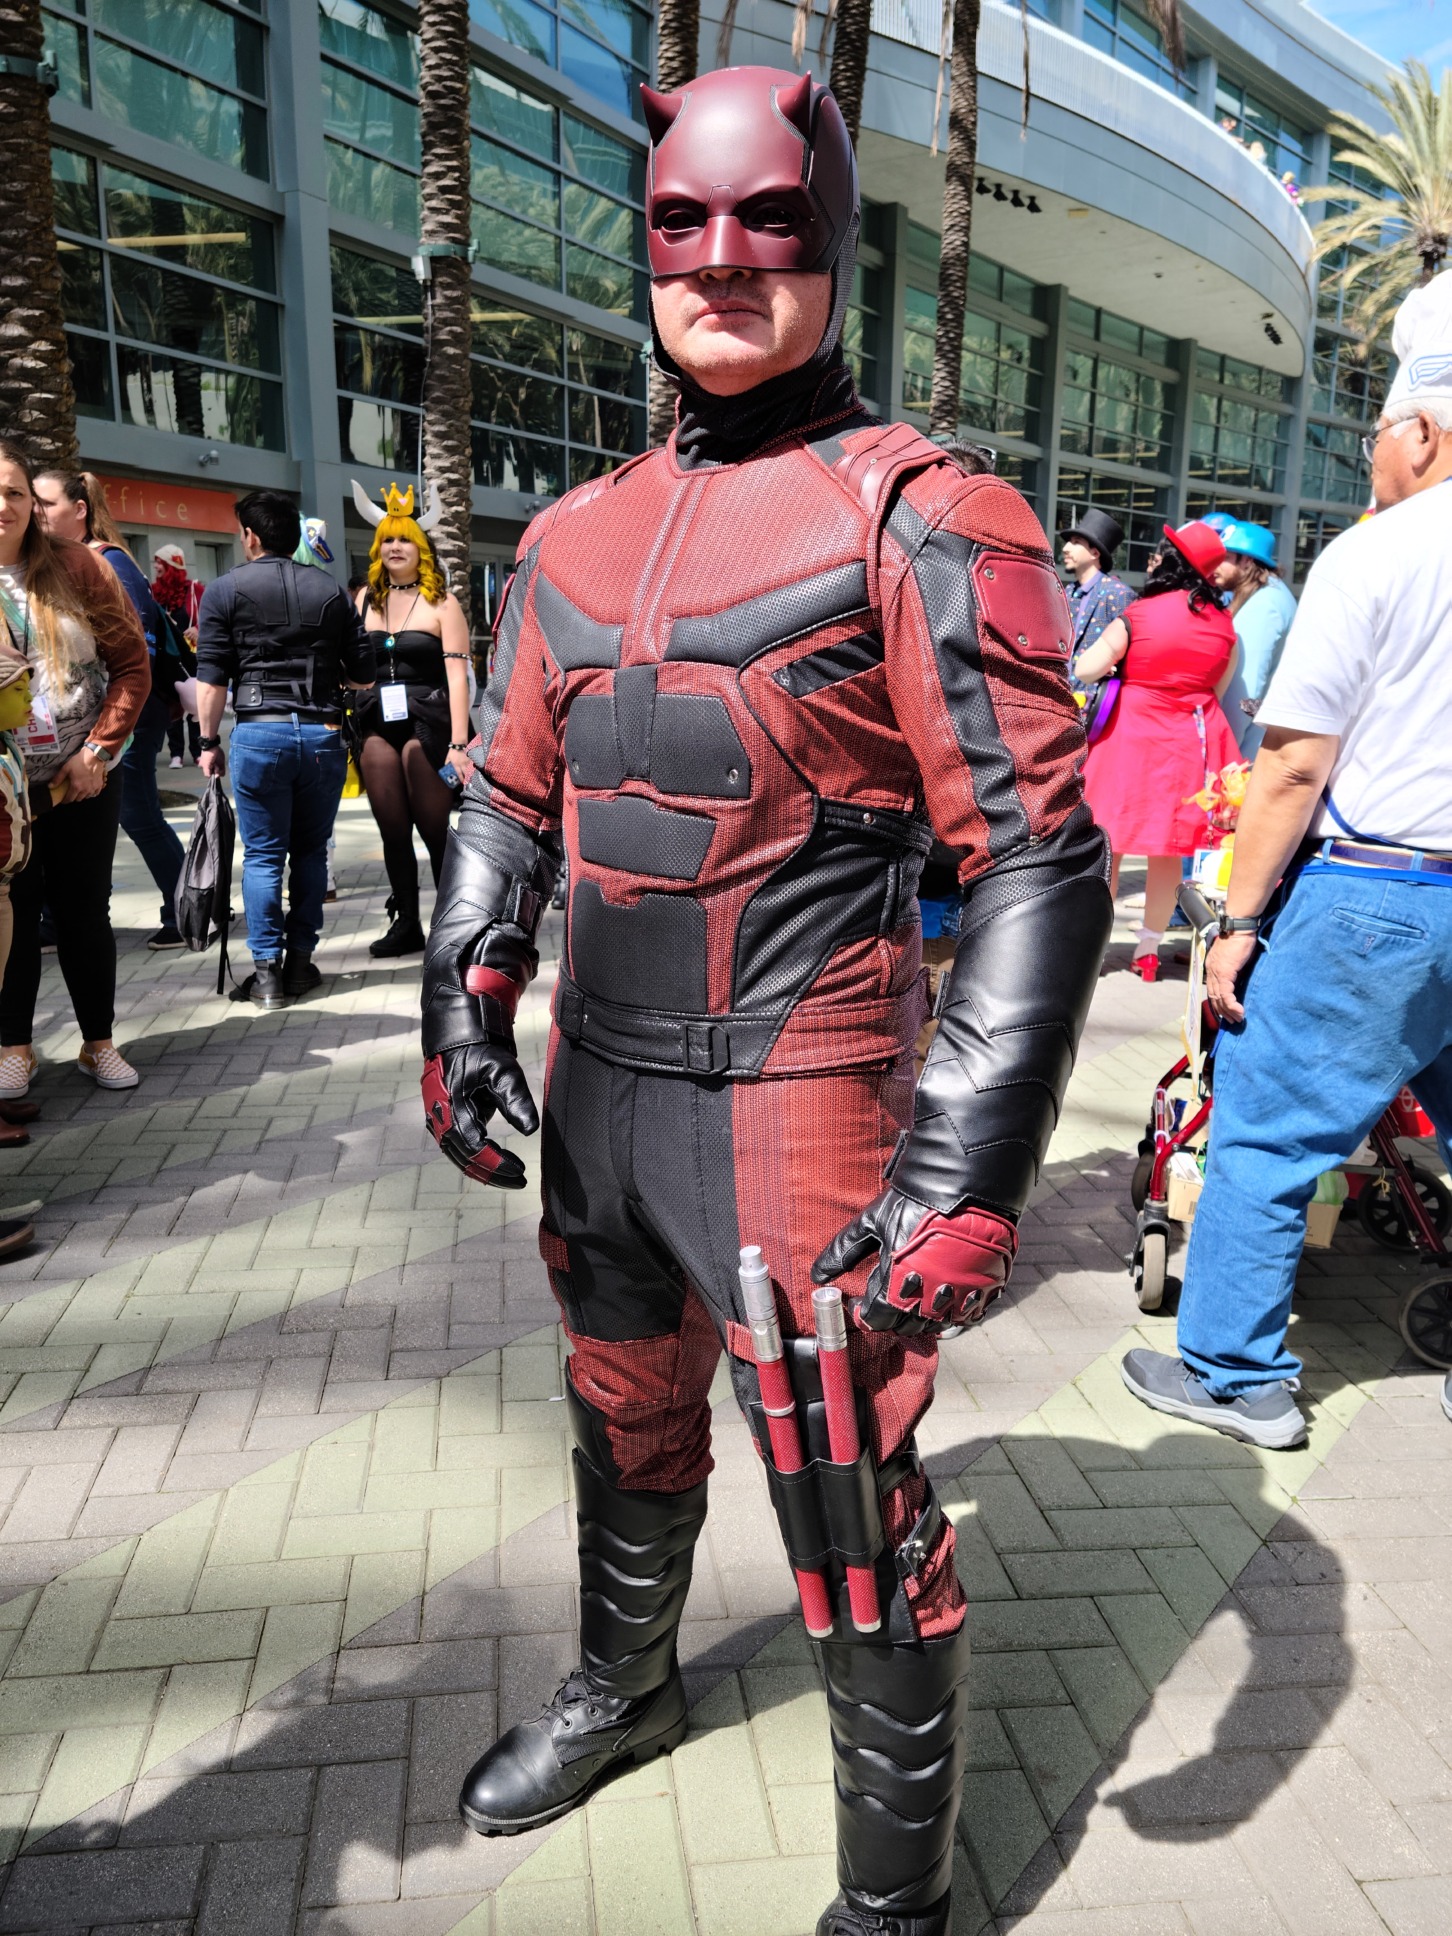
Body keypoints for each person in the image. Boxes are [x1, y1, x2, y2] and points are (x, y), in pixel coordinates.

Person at [420, 66, 1111, 1936]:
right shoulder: (570, 535)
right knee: (620, 1411)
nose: (720, 260)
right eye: (680, 223)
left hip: (803, 1094)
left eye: (767, 219)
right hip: (603, 1097)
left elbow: (1038, 859)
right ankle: (623, 1687)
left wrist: (968, 1163)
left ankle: (893, 1902)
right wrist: (463, 1000)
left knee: (842, 1483)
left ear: (828, 238)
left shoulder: (926, 513)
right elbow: (503, 800)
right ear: (644, 245)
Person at [1121, 273, 1452, 1450]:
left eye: (1378, 434)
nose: (1374, 456)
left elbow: (1296, 764)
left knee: (1267, 1134)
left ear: (1422, 431)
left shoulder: (1379, 555)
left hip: (1379, 891)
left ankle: (1233, 1375)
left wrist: (1239, 920)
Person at [0, 440, 149, 1097]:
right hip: (5, 791)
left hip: (81, 780)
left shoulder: (79, 565)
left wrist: (98, 753)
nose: (2, 505)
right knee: (11, 912)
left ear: (32, 502)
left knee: (84, 911)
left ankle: (98, 1043)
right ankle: (15, 1048)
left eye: (13, 492)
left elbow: (132, 667)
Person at [194, 490, 373, 1010]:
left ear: (250, 536)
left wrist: (207, 742)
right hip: (321, 734)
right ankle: (299, 964)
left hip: (259, 733)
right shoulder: (331, 590)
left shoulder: (224, 590)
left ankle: (267, 975)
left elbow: (212, 679)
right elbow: (364, 675)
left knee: (264, 855)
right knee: (311, 852)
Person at [1074, 521, 1240, 981]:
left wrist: (1117, 669)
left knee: (1110, 844)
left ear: (1171, 561)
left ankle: (1094, 949)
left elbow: (1086, 669)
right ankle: (1149, 951)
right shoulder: (1224, 626)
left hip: (1129, 740)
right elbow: (1217, 691)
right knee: (1168, 851)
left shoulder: (1141, 613)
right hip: (1190, 744)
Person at [31, 470, 187, 950]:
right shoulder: (47, 564)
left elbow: (135, 655)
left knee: (139, 816)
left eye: (45, 503)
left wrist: (106, 736)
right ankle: (55, 919)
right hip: (83, 727)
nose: (35, 512)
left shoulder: (106, 561)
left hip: (124, 719)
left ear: (79, 510)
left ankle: (191, 910)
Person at [349, 480, 472, 956]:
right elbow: (352, 667)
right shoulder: (365, 600)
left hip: (430, 724)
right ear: (378, 548)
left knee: (434, 829)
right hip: (377, 722)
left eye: (405, 539)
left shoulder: (443, 602)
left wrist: (459, 745)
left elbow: (458, 678)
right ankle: (406, 924)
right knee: (393, 830)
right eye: (388, 540)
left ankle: (454, 924)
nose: (395, 547)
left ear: (421, 548)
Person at [1213, 520, 1297, 758]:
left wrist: (1225, 752)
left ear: (1247, 561)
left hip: (1245, 753)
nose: (1216, 565)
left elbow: (1245, 690)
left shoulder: (1264, 604)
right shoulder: (1270, 594)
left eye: (1226, 558)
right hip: (1256, 745)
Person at [1060, 506, 1132, 694]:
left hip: (1095, 702)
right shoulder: (1067, 592)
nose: (1066, 548)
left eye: (1076, 542)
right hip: (1060, 696)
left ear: (1095, 553)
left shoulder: (1118, 594)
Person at [153, 544, 202, 766]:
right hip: (168, 658)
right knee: (172, 702)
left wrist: (199, 629)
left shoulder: (195, 590)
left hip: (192, 656)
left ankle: (198, 750)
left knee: (196, 704)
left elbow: (211, 618)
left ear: (172, 566)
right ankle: (176, 753)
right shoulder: (154, 592)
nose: (156, 567)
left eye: (160, 562)